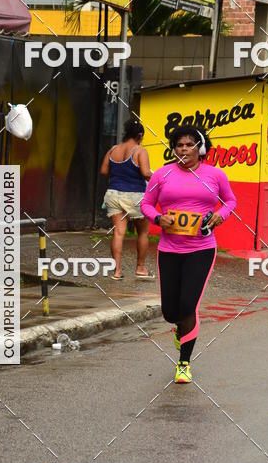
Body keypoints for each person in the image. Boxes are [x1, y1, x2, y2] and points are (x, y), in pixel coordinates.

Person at [140, 125, 237, 384]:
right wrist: (159, 219)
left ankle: (184, 363)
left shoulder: (215, 175)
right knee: (171, 311)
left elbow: (230, 201)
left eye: (190, 144)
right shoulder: (162, 174)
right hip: (169, 249)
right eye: (179, 145)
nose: (184, 149)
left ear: (201, 148)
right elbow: (146, 204)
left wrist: (220, 215)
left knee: (188, 305)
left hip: (201, 249)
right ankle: (179, 327)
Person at [100, 118, 153, 280]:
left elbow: (103, 171)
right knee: (143, 232)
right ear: (140, 135)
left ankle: (116, 271)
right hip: (135, 195)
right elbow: (145, 173)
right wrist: (157, 177)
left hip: (113, 194)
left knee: (118, 232)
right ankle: (140, 268)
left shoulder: (113, 149)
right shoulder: (140, 151)